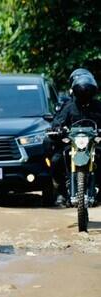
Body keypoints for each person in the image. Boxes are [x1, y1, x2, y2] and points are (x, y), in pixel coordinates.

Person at [50, 72, 101, 206]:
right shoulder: (68, 106)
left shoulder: (98, 106)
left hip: (94, 144)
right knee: (56, 160)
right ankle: (62, 191)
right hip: (72, 144)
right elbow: (57, 121)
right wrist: (57, 129)